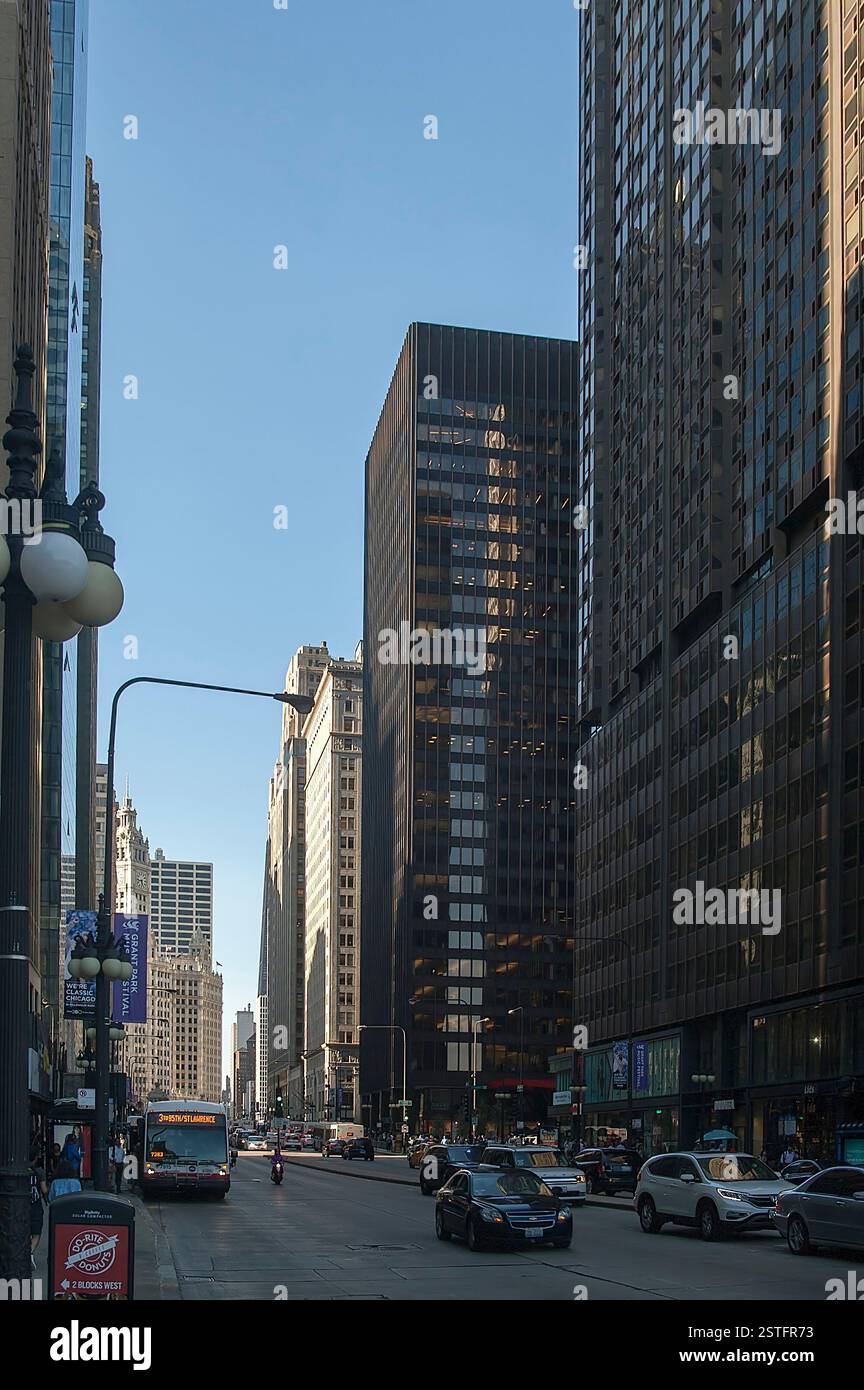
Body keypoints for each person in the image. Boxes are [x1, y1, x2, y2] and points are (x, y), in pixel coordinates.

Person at [29, 1146, 48, 1268]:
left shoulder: (20, 1169)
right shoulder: (39, 1171)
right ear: (36, 1158)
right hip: (35, 1205)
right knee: (36, 1233)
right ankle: (29, 1252)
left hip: (21, 1205)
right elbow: (44, 1189)